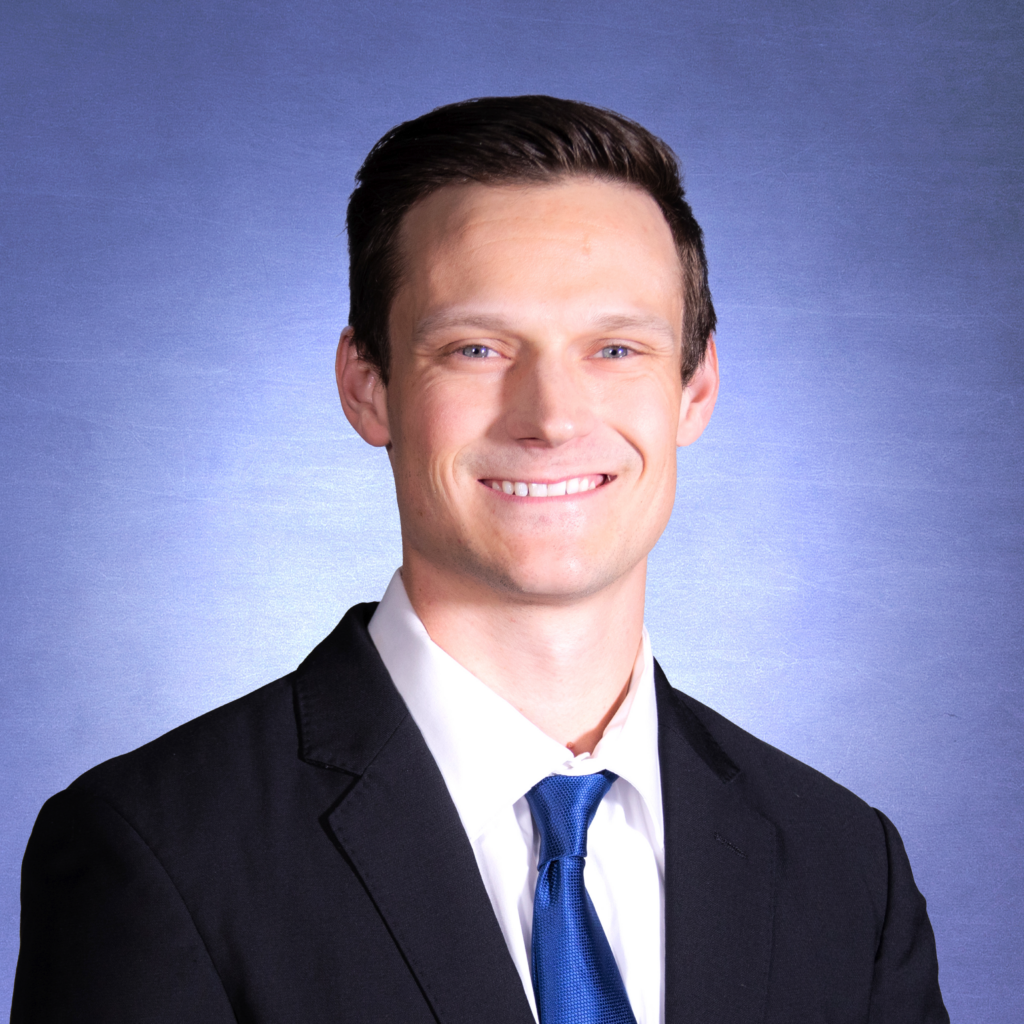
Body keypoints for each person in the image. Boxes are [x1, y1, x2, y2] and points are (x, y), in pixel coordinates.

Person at [11, 95, 949, 1023]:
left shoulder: (845, 867)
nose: (552, 417)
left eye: (615, 348)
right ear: (367, 387)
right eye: (476, 348)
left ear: (694, 389)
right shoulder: (161, 850)